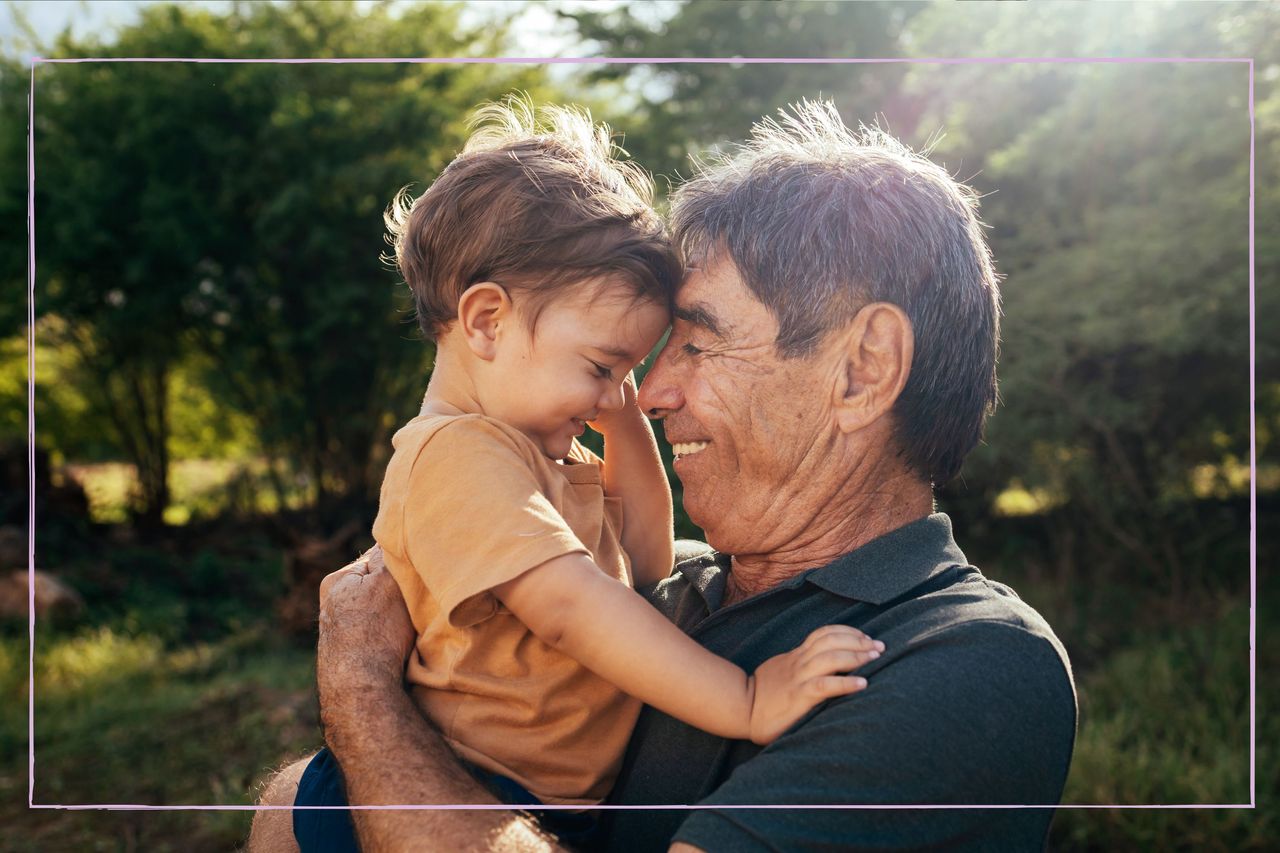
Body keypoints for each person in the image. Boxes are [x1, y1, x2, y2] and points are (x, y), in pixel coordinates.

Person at [250, 100, 1076, 853]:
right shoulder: (670, 584)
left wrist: (360, 695)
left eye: (698, 341)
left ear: (863, 369)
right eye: (623, 359)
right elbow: (295, 808)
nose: (648, 392)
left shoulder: (968, 660)